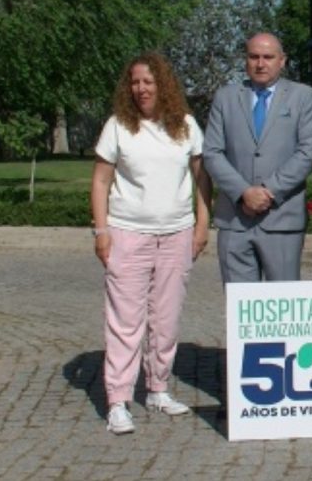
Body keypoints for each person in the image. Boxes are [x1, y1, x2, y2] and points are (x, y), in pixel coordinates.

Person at [90, 52, 212, 435]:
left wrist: (202, 225)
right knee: (126, 321)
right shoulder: (118, 127)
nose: (141, 88)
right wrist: (101, 231)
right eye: (135, 82)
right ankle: (118, 400)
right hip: (128, 233)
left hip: (177, 234)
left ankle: (158, 388)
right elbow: (101, 181)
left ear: (163, 84)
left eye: (148, 81)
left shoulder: (186, 126)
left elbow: (202, 178)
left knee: (166, 318)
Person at [203, 32, 312, 283]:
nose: (260, 63)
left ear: (282, 60)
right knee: (240, 304)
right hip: (235, 219)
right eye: (253, 56)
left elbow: (308, 152)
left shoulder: (304, 96)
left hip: (282, 220)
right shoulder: (225, 97)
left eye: (268, 57)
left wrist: (269, 191)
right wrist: (243, 192)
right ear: (245, 60)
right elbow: (212, 152)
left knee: (282, 302)